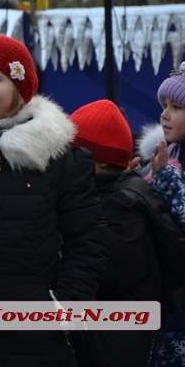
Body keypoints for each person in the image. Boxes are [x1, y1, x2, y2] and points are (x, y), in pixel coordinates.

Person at [0, 35, 108, 367]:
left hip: (38, 333)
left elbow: (87, 239)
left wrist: (63, 306)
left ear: (20, 88)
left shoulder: (61, 159)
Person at [68, 100, 185, 367]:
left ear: (99, 162)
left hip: (116, 348)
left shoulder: (125, 208)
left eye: (69, 154)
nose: (165, 114)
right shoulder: (111, 196)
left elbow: (98, 276)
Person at [139, 62, 185, 366]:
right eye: (164, 105)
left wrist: (167, 179)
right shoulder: (163, 157)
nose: (164, 114)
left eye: (176, 107)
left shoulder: (167, 166)